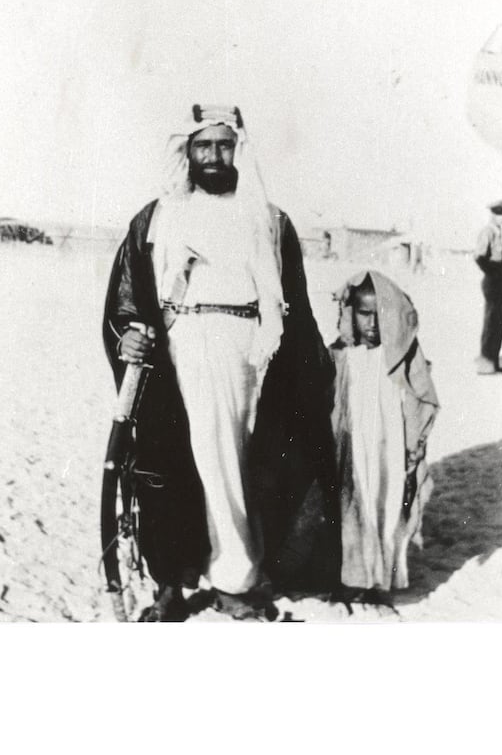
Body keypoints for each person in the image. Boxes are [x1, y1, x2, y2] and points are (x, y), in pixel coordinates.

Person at [102, 104, 337, 621]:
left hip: (250, 352)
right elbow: (128, 294)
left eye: (223, 145)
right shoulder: (157, 216)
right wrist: (128, 337)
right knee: (168, 465)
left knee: (237, 466)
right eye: (202, 145)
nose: (212, 156)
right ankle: (170, 581)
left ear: (239, 150)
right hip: (176, 350)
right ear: (187, 150)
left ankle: (236, 579)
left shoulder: (270, 220)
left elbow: (292, 301)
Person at [328, 271, 439, 605]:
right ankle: (354, 577)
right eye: (365, 313)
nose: (373, 323)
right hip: (352, 451)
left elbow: (422, 400)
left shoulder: (403, 357)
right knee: (352, 508)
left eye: (381, 314)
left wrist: (412, 447)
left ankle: (380, 579)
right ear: (351, 313)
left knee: (386, 507)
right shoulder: (340, 354)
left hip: (388, 451)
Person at [474, 199, 502, 375]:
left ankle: (493, 362)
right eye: (500, 214)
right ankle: (486, 363)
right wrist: (493, 272)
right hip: (493, 280)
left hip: (499, 278)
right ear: (493, 214)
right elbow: (479, 257)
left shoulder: (497, 232)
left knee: (499, 322)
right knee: (492, 322)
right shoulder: (487, 232)